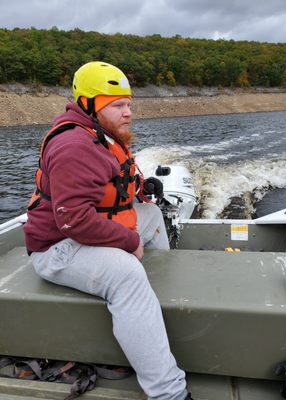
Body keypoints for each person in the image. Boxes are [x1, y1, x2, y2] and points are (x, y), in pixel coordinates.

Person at [24, 61, 192, 400]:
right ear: (88, 105)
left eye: (129, 104)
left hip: (78, 234)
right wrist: (129, 241)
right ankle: (169, 393)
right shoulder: (75, 147)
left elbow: (116, 183)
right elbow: (73, 220)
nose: (128, 112)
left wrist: (144, 189)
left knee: (149, 215)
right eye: (117, 105)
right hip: (55, 249)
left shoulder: (101, 134)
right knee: (127, 274)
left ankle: (154, 307)